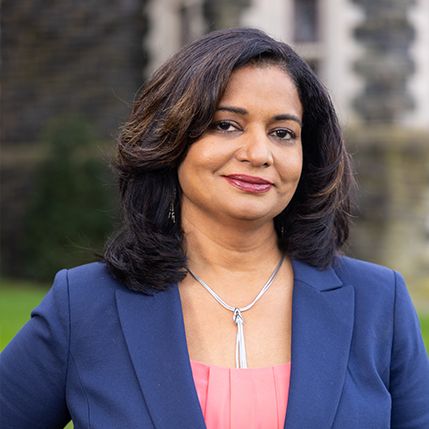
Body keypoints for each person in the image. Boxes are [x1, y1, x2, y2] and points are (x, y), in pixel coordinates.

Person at [1, 28, 428, 429]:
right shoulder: (86, 306)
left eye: (283, 133)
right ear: (171, 139)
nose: (259, 153)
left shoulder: (378, 304)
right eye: (226, 125)